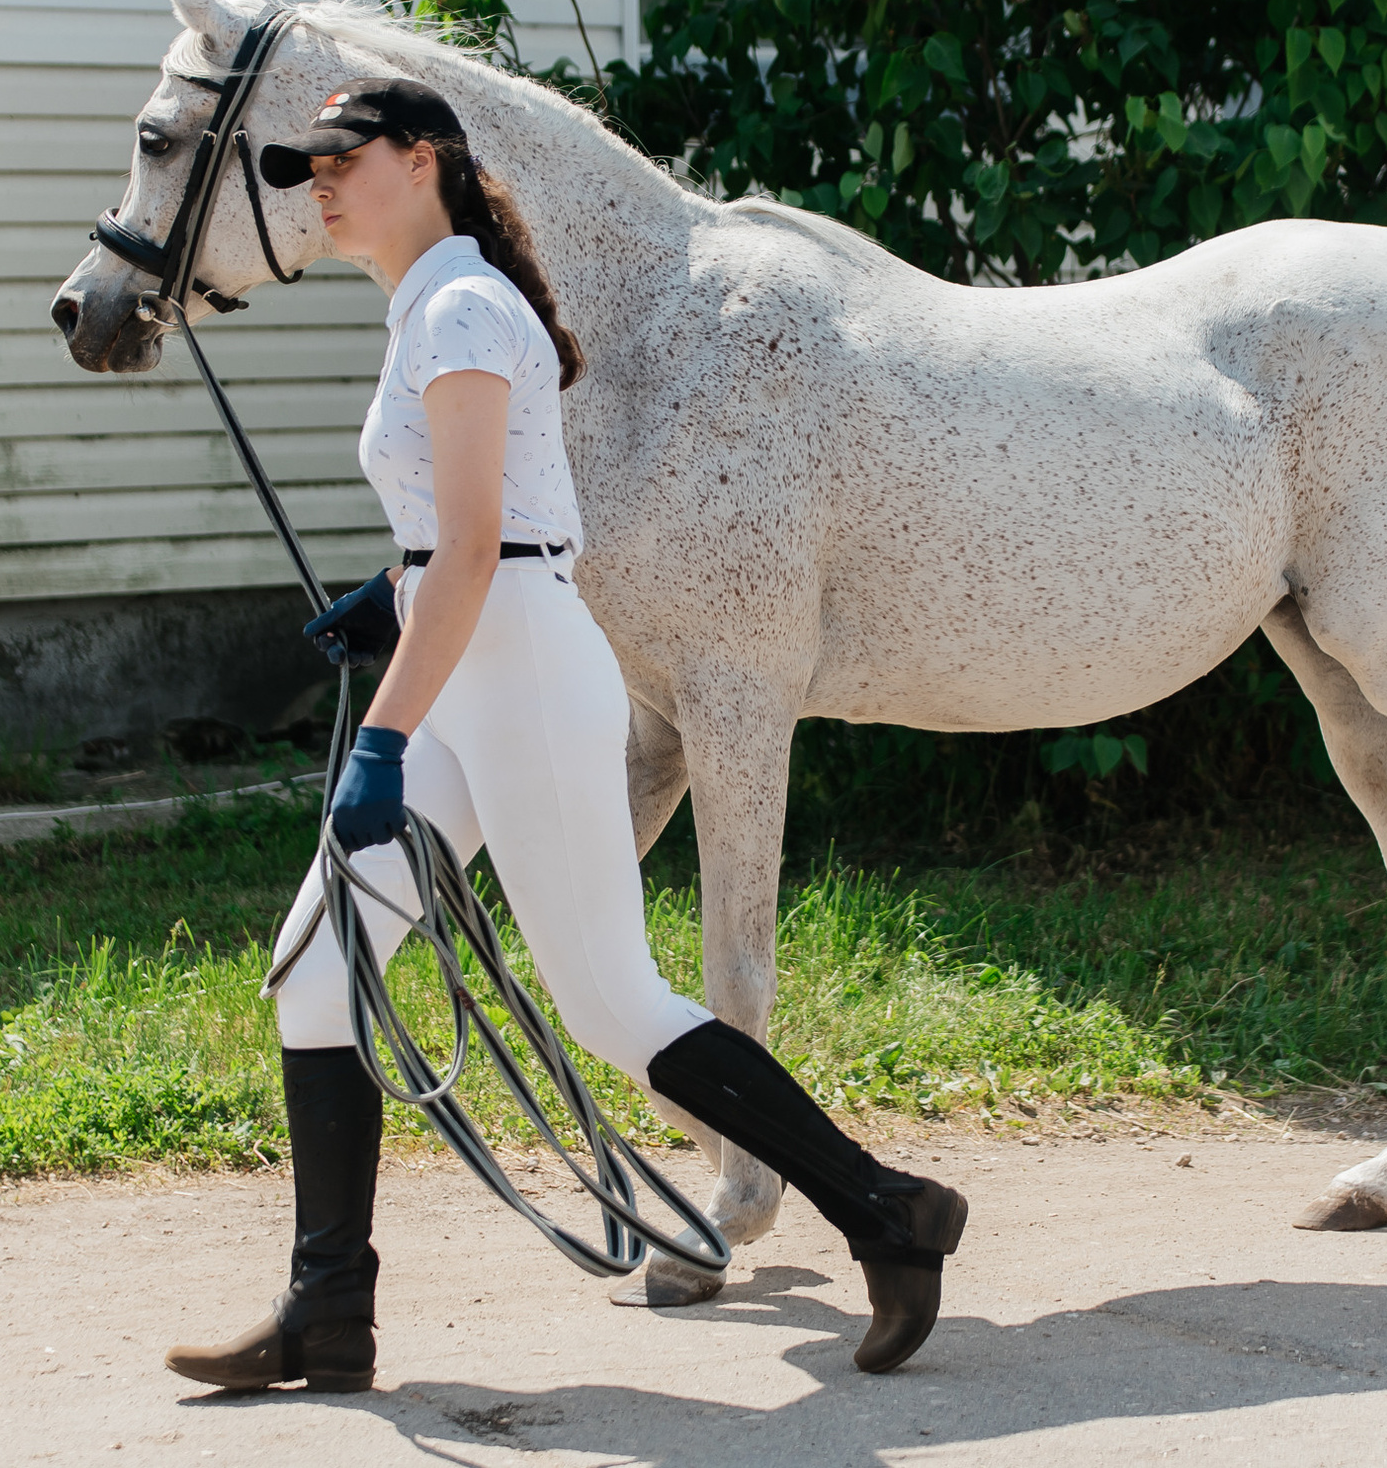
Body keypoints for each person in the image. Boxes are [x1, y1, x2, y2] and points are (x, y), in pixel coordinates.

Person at [159, 78, 968, 1393]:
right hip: (473, 652)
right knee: (319, 971)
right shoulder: (433, 303)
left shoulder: (465, 307)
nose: (316, 179)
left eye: (338, 156)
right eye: (304, 161)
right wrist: (395, 599)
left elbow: (483, 546)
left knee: (609, 1000)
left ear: (421, 160)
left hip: (521, 669)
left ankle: (888, 1210)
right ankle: (328, 1311)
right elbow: (461, 531)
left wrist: (382, 733)